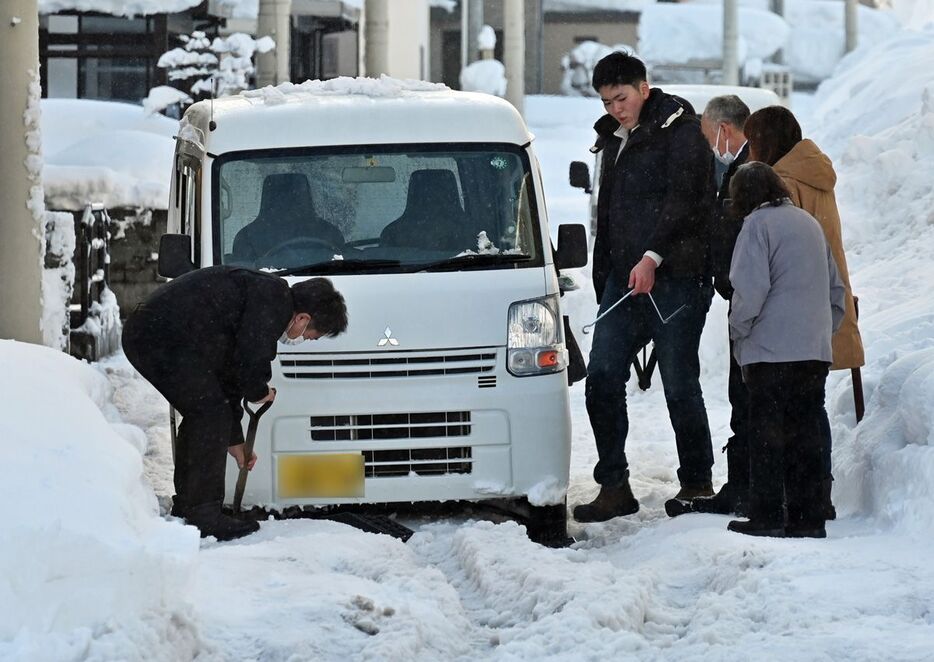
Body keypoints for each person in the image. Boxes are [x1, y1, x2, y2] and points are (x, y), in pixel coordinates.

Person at [573, 52, 716, 523]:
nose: (615, 108)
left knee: (679, 383)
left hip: (678, 279)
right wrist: (605, 275)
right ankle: (614, 486)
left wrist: (653, 257)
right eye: (607, 101)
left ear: (643, 88)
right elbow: (608, 213)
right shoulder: (613, 137)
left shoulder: (681, 130)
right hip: (622, 280)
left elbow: (687, 200)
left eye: (622, 97)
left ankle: (697, 483)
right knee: (602, 378)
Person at [122, 266, 348, 541]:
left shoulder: (261, 298)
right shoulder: (272, 298)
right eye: (311, 335)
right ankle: (202, 513)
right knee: (207, 412)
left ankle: (190, 506)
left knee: (206, 409)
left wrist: (236, 440)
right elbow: (249, 361)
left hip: (156, 333)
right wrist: (260, 390)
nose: (305, 340)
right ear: (302, 318)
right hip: (157, 335)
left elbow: (227, 379)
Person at [744, 106, 865, 519]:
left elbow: (774, 261)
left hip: (786, 317)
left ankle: (785, 502)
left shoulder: (784, 184)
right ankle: (819, 497)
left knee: (783, 416)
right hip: (823, 304)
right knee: (811, 411)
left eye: (752, 139)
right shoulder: (818, 175)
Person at [725, 162, 845, 538]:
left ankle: (766, 515)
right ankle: (808, 518)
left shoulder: (756, 226)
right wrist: (820, 332)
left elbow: (750, 290)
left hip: (769, 351)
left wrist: (737, 332)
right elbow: (836, 292)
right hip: (813, 350)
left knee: (767, 435)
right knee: (805, 434)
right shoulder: (809, 224)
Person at [667, 95, 753, 518]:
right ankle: (743, 484)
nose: (707, 146)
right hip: (741, 296)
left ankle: (746, 488)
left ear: (723, 129)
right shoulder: (734, 168)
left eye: (707, 135)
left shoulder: (751, 171)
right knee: (744, 394)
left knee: (750, 394)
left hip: (754, 303)